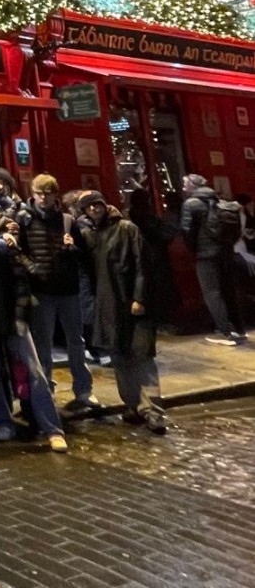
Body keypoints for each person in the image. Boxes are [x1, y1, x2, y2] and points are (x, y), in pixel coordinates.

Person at [0, 206, 67, 451]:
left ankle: (52, 428)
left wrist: (20, 317)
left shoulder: (2, 249)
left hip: (11, 318)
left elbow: (21, 283)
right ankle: (3, 421)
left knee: (35, 372)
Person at [78, 190, 166, 433]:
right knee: (120, 358)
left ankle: (152, 410)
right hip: (109, 306)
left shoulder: (128, 229)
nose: (94, 209)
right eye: (88, 207)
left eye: (97, 204)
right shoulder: (89, 235)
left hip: (132, 304)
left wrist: (140, 297)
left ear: (104, 205)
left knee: (142, 357)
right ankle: (132, 405)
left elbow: (143, 265)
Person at [17, 174, 98, 411]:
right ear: (32, 194)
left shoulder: (67, 220)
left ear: (55, 195)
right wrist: (33, 268)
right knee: (43, 344)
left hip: (68, 289)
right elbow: (18, 250)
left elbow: (83, 255)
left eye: (48, 193)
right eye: (40, 193)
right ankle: (46, 392)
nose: (44, 198)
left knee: (76, 342)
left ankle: (83, 391)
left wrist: (72, 247)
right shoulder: (24, 220)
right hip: (42, 290)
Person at [180, 173, 246, 344]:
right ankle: (239, 329)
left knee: (212, 293)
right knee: (228, 290)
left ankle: (225, 332)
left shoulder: (190, 204)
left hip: (206, 255)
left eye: (185, 185)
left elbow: (187, 231)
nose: (183, 188)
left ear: (193, 186)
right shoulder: (220, 201)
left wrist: (194, 249)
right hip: (226, 252)